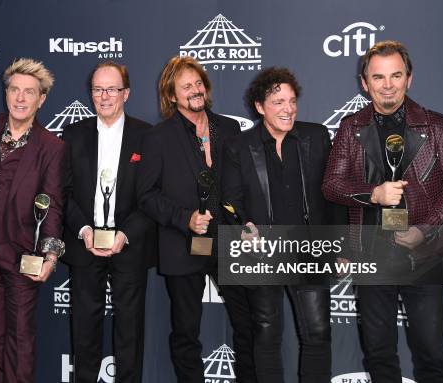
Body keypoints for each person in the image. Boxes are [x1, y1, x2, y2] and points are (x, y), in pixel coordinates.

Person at [322, 40, 443, 383]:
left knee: (432, 352)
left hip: (425, 254)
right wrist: (372, 194)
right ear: (365, 82)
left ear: (409, 79)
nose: (387, 84)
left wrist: (425, 228)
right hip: (371, 255)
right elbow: (332, 185)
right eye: (378, 77)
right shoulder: (350, 127)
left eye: (395, 75)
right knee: (379, 355)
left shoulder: (435, 126)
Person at [137, 56, 249, 382]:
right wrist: (184, 219)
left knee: (248, 323)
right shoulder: (158, 138)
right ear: (172, 96)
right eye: (186, 86)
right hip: (182, 244)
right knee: (186, 332)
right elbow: (146, 195)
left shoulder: (228, 128)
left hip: (229, 242)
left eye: (198, 83)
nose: (195, 90)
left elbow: (241, 184)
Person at [220, 67, 336, 383]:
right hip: (262, 253)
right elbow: (230, 200)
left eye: (291, 100)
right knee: (267, 334)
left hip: (309, 248)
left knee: (317, 332)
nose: (288, 109)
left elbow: (333, 194)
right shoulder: (239, 146)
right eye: (278, 102)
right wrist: (244, 226)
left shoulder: (316, 136)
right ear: (260, 107)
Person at [0, 58, 65, 383]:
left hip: (24, 254)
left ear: (42, 99)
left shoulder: (51, 147)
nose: (20, 98)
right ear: (6, 93)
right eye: (14, 90)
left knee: (20, 337)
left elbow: (52, 203)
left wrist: (51, 254)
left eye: (29, 92)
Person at [61, 61, 155, 382]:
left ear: (125, 93)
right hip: (85, 244)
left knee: (129, 333)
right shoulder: (73, 135)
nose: (104, 96)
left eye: (111, 89)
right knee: (84, 332)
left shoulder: (146, 136)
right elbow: (64, 192)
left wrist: (126, 233)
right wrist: (84, 230)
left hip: (128, 245)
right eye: (98, 89)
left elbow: (152, 196)